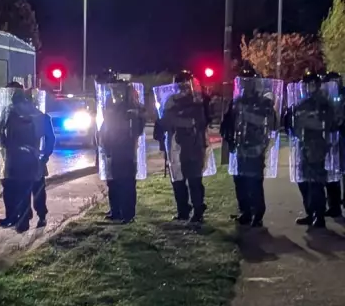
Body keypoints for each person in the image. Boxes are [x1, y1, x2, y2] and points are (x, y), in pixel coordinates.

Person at [220, 65, 280, 228]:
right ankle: (245, 212)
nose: (247, 85)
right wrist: (229, 139)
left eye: (250, 81)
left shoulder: (263, 102)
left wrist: (250, 117)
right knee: (240, 181)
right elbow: (227, 123)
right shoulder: (237, 101)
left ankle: (257, 214)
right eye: (244, 82)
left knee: (254, 181)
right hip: (240, 148)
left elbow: (272, 124)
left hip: (256, 147)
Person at [0, 83, 53, 231]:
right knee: (30, 189)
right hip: (29, 157)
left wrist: (6, 145)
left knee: (25, 189)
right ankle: (34, 216)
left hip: (21, 157)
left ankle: (27, 219)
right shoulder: (33, 113)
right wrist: (45, 154)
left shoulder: (12, 113)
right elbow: (50, 137)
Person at [154, 70, 211, 223]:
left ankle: (198, 210)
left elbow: (202, 121)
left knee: (193, 179)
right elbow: (164, 122)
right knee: (178, 179)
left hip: (192, 145)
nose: (183, 88)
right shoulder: (171, 101)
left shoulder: (198, 101)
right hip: (175, 144)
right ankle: (183, 210)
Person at [285, 70, 339, 229]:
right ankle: (310, 212)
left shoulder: (323, 103)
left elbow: (328, 124)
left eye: (312, 84)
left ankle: (319, 215)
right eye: (306, 84)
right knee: (304, 182)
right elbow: (293, 122)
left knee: (316, 182)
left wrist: (308, 123)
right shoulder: (302, 103)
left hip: (317, 147)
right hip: (303, 145)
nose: (309, 87)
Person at [96, 71, 146, 224]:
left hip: (125, 150)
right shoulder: (111, 106)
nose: (113, 93)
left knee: (126, 182)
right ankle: (116, 210)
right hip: (111, 148)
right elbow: (106, 125)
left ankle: (128, 214)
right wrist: (101, 140)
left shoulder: (131, 108)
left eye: (115, 90)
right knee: (113, 181)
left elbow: (138, 127)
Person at [322, 71, 344, 217]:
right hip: (330, 138)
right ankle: (334, 205)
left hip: (342, 137)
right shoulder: (324, 98)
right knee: (331, 173)